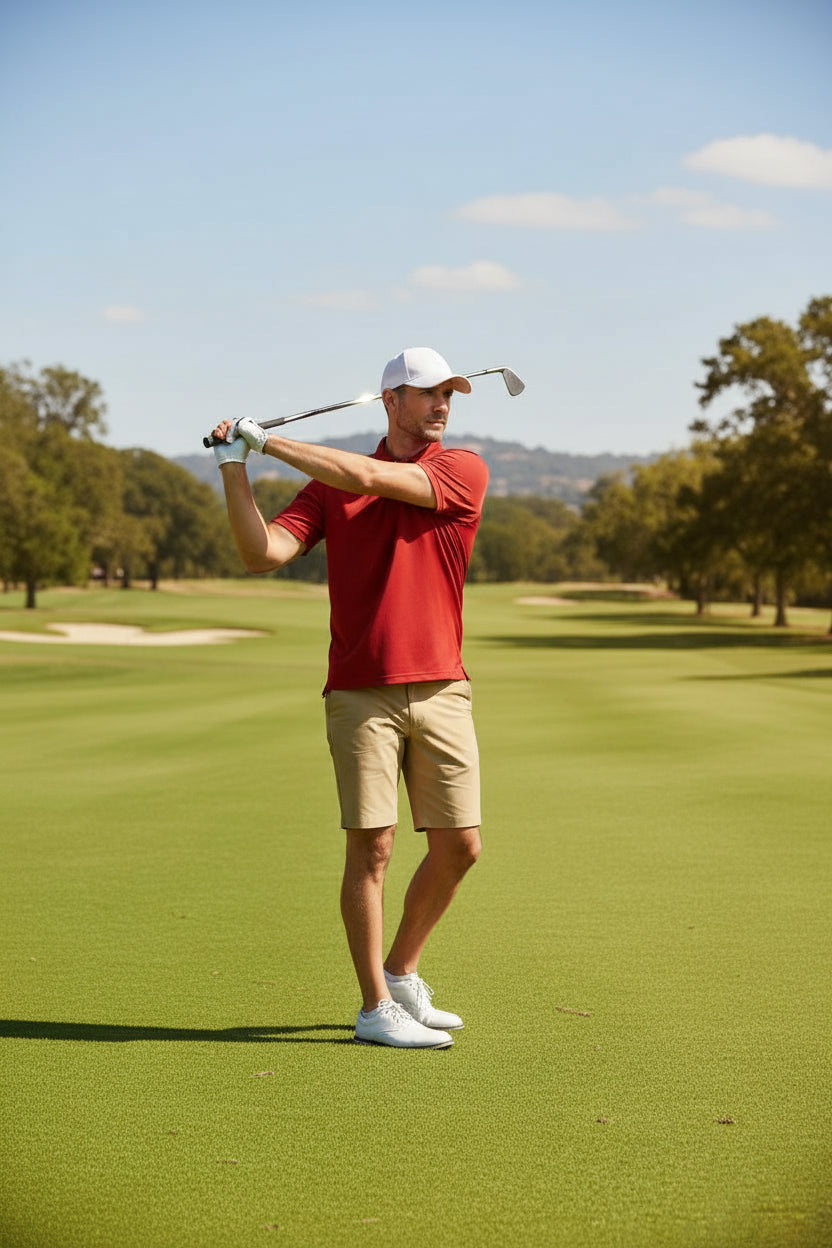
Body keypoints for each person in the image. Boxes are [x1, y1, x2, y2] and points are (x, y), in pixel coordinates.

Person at [211, 347, 489, 1049]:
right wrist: (234, 468)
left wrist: (267, 439)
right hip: (361, 692)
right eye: (427, 394)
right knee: (372, 851)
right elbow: (262, 553)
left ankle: (401, 974)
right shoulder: (331, 489)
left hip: (442, 688)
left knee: (460, 846)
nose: (442, 405)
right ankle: (374, 1010)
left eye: (448, 394)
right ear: (390, 400)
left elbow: (371, 474)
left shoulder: (461, 469)